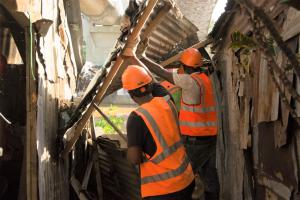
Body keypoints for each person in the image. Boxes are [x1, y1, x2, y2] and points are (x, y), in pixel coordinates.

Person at [139, 48, 220, 200]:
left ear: (184, 67)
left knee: (182, 179)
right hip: (210, 138)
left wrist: (141, 58)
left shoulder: (189, 82)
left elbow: (163, 72)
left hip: (195, 141)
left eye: (181, 66)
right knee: (209, 176)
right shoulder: (204, 79)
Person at [122, 63, 195, 200]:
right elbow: (155, 85)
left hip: (163, 190)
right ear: (150, 85)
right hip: (186, 180)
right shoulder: (167, 100)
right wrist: (136, 61)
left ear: (131, 95)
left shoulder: (137, 118)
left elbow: (134, 158)